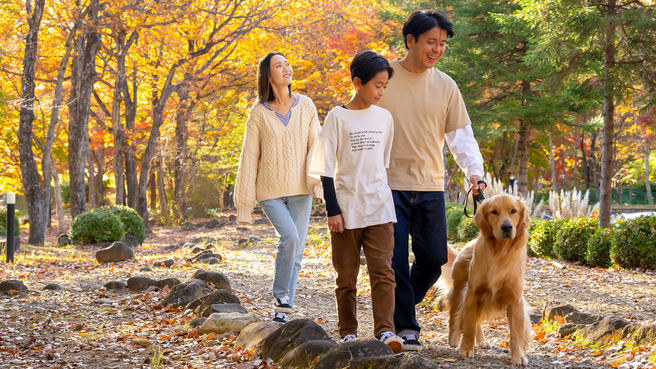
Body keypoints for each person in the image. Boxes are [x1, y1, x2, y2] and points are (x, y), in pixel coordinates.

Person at [377, 10, 486, 351]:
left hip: (429, 185)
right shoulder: (383, 77)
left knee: (434, 257)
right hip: (388, 183)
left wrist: (475, 174)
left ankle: (397, 307)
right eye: (430, 42)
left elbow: (461, 137)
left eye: (442, 44)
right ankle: (407, 328)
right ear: (410, 40)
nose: (437, 49)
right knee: (393, 259)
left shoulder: (446, 86)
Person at [309, 51, 404, 353]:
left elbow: (381, 164)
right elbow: (325, 168)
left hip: (379, 207)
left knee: (383, 273)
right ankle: (348, 331)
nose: (381, 92)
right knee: (346, 276)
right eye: (377, 85)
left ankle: (386, 331)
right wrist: (332, 211)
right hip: (346, 211)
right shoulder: (337, 117)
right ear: (357, 82)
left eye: (385, 86)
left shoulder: (385, 118)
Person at [234, 52, 323, 324]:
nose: (286, 68)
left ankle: (283, 310)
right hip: (269, 191)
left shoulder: (306, 105)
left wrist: (317, 185)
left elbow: (316, 147)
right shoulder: (258, 113)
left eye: (287, 63)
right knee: (290, 238)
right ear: (268, 75)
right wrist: (245, 203)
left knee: (296, 253)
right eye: (279, 65)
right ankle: (280, 295)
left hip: (300, 190)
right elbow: (249, 156)